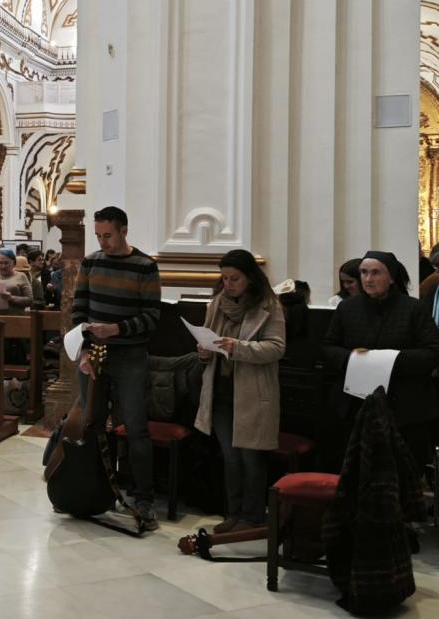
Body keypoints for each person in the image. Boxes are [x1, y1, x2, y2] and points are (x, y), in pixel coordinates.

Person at [72, 206, 163, 530]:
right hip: (93, 355)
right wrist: (83, 349)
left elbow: (152, 318)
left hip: (130, 357)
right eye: (98, 236)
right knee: (93, 424)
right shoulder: (91, 262)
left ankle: (143, 499)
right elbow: (79, 309)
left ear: (124, 230)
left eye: (107, 235)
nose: (102, 242)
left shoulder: (144, 266)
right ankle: (96, 491)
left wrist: (116, 330)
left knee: (136, 429)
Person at [185, 250, 286, 533]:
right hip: (220, 390)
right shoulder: (218, 303)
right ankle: (234, 513)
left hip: (253, 394)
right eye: (225, 278)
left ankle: (253, 517)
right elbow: (208, 337)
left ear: (250, 278)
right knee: (230, 457)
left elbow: (277, 347)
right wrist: (204, 351)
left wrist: (237, 347)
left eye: (235, 278)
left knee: (251, 457)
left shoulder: (269, 305)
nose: (229, 284)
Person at [323, 252, 439, 476]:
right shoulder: (347, 308)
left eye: (375, 273)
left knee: (401, 472)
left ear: (391, 277)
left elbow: (434, 352)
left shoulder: (413, 309)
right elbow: (328, 348)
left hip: (404, 405)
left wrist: (389, 360)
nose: (368, 279)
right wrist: (353, 359)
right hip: (356, 404)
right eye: (364, 273)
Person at [0, 248, 33, 315]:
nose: (3, 266)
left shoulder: (21, 276)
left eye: (7, 263)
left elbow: (30, 300)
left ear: (14, 263)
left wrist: (11, 298)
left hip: (15, 318)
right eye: (0, 263)